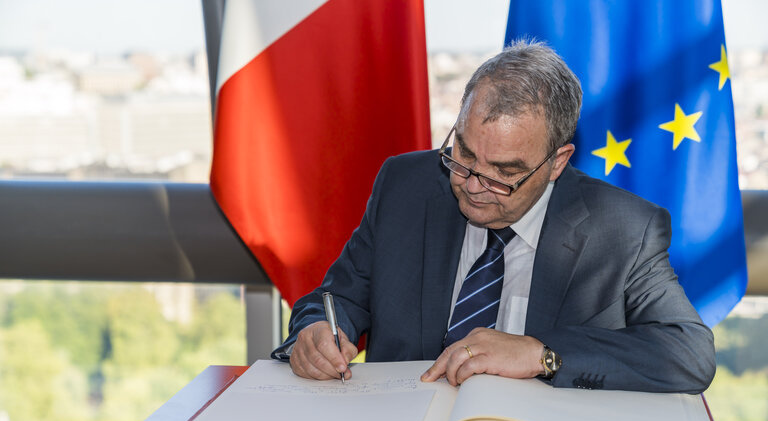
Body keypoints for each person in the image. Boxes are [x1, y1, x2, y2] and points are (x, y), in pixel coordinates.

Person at [272, 40, 715, 393]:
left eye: (505, 173)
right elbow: (338, 299)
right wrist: (314, 332)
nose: (473, 184)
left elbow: (688, 353)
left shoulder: (622, 229)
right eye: (464, 153)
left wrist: (544, 354)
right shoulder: (406, 187)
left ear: (557, 162)